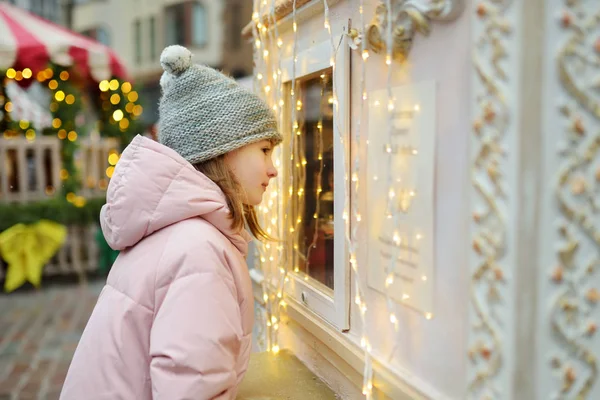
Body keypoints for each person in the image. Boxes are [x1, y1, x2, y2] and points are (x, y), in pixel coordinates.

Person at [60, 45, 281, 400]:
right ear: (222, 149)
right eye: (265, 149)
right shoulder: (198, 251)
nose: (273, 169)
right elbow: (191, 388)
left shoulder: (177, 234)